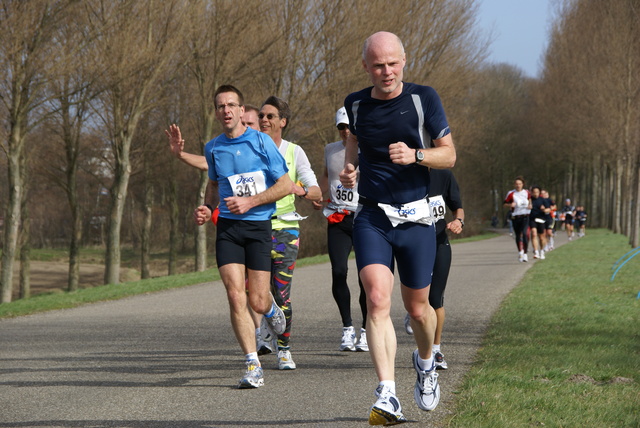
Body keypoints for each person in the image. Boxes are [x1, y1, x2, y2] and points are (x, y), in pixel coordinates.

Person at [339, 31, 456, 425]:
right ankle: (387, 393)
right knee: (375, 299)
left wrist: (417, 154)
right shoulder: (354, 103)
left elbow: (450, 154)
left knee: (418, 309)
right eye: (377, 65)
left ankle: (425, 363)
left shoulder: (425, 98)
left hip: (417, 216)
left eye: (392, 63)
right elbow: (354, 140)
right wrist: (351, 167)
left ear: (404, 60)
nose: (386, 71)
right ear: (365, 67)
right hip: (372, 214)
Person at [165, 85, 290, 389]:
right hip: (229, 230)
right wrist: (208, 208)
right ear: (217, 111)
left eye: (231, 105)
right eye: (220, 106)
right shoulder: (213, 147)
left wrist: (251, 201)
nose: (226, 111)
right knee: (235, 295)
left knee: (258, 302)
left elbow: (285, 185)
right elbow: (213, 184)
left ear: (240, 109)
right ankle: (252, 364)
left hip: (259, 227)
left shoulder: (261, 142)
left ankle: (272, 310)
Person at [257, 95, 322, 370]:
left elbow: (317, 191)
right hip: (255, 228)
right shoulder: (249, 148)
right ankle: (264, 329)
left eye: (270, 116)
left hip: (285, 229)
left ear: (282, 122)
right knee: (255, 293)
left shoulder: (294, 152)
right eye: (261, 116)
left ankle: (284, 349)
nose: (264, 120)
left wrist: (302, 190)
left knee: (282, 293)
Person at [313, 107, 368, 352]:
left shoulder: (368, 148)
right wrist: (319, 193)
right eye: (341, 127)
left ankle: (367, 330)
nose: (345, 131)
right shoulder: (330, 150)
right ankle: (347, 328)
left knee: (365, 278)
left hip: (364, 218)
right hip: (338, 218)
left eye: (349, 126)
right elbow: (327, 175)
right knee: (338, 271)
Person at [403, 168, 464, 374]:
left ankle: (436, 351)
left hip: (439, 242)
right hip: (414, 243)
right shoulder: (404, 172)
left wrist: (459, 221)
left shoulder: (444, 175)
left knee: (436, 298)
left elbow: (458, 207)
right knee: (421, 300)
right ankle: (415, 310)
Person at [169, 105, 260, 170]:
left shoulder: (267, 148)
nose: (246, 127)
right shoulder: (228, 150)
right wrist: (180, 154)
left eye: (250, 124)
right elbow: (206, 162)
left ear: (260, 127)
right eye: (242, 123)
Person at [504, 177, 531, 262]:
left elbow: (530, 200)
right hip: (516, 216)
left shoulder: (526, 192)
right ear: (514, 184)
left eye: (520, 184)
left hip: (525, 216)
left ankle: (525, 254)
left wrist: (530, 205)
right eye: (516, 184)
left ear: (523, 184)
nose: (518, 185)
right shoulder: (511, 193)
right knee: (518, 235)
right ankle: (520, 252)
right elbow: (504, 204)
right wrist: (510, 205)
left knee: (525, 234)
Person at [529, 186, 549, 260]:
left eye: (537, 192)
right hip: (532, 219)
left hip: (541, 219)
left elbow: (548, 209)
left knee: (541, 237)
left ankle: (542, 251)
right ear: (531, 192)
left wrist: (544, 209)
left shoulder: (543, 200)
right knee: (534, 234)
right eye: (534, 192)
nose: (535, 194)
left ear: (539, 192)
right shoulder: (529, 200)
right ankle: (536, 252)